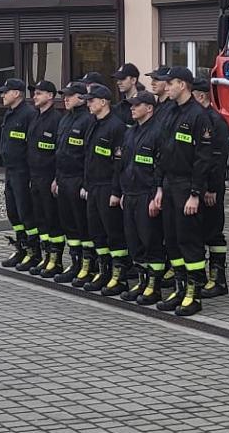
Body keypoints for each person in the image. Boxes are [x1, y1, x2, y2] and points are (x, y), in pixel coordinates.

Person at [152, 68, 217, 317]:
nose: (166, 87)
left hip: (186, 185)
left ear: (183, 84)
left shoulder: (198, 116)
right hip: (168, 184)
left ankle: (193, 293)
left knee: (189, 241)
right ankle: (179, 289)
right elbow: (161, 151)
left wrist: (195, 193)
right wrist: (159, 187)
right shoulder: (169, 111)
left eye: (170, 83)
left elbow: (204, 159)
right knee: (172, 240)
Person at [79, 83, 129, 294]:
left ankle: (119, 277)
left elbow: (119, 163)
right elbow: (88, 158)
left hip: (109, 187)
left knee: (113, 233)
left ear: (104, 101)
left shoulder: (116, 127)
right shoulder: (93, 124)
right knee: (97, 233)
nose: (88, 104)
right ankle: (104, 271)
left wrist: (116, 192)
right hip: (94, 187)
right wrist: (86, 184)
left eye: (91, 100)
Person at [117, 91, 165, 304]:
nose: (132, 108)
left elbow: (161, 167)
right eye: (131, 105)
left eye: (137, 105)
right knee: (134, 242)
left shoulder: (157, 132)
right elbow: (123, 165)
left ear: (149, 108)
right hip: (130, 194)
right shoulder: (130, 133)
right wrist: (122, 193)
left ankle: (154, 287)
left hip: (147, 194)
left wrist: (157, 194)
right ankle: (143, 282)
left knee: (151, 241)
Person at [190, 78, 229, 297]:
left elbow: (217, 159)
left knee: (214, 232)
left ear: (200, 96)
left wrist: (211, 189)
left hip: (211, 188)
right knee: (200, 231)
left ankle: (218, 280)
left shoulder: (215, 122)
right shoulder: (200, 119)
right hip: (200, 186)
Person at [51, 82, 96, 284]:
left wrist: (86, 184)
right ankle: (75, 262)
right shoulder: (64, 120)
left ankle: (88, 266)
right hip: (64, 179)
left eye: (70, 95)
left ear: (81, 97)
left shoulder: (87, 120)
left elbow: (88, 156)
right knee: (69, 225)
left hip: (79, 180)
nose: (65, 99)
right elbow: (60, 153)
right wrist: (57, 179)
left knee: (82, 225)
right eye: (64, 95)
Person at [0, 79, 36, 269]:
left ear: (17, 93)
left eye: (6, 92)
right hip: (10, 171)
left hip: (23, 172)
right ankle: (21, 247)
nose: (2, 95)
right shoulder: (10, 114)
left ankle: (33, 252)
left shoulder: (29, 115)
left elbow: (31, 147)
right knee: (13, 212)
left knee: (26, 212)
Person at [24, 81, 64, 277]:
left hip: (49, 177)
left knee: (52, 218)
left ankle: (55, 261)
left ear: (50, 96)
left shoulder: (56, 120)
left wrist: (57, 178)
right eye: (34, 93)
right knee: (40, 219)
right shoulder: (35, 118)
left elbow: (59, 153)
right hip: (36, 176)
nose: (35, 97)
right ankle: (46, 257)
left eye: (39, 93)